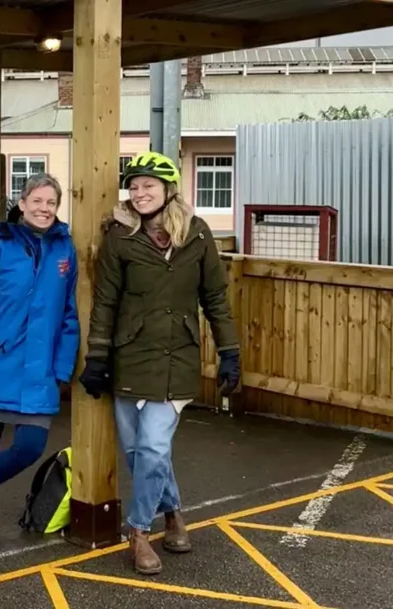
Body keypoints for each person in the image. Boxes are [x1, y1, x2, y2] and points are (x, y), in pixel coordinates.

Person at [78, 152, 240, 575]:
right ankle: (174, 514)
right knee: (141, 453)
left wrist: (229, 352)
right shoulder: (120, 237)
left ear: (169, 190)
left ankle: (137, 533)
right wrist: (96, 357)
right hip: (130, 358)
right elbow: (106, 302)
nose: (139, 193)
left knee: (151, 447)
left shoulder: (198, 236)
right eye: (133, 187)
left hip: (177, 359)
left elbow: (216, 299)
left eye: (147, 185)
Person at [0, 173, 80, 548]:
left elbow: (69, 314)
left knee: (30, 445)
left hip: (39, 368)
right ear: (22, 204)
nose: (44, 209)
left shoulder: (65, 249)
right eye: (37, 201)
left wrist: (62, 366)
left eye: (51, 203)